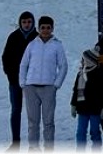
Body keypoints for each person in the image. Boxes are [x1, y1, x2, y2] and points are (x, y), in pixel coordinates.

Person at [19, 15, 68, 151]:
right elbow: (23, 65)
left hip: (48, 88)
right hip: (31, 88)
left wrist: (56, 84)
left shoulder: (57, 45)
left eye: (48, 28)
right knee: (33, 122)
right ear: (38, 28)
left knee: (48, 121)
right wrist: (23, 83)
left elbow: (63, 66)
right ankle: (33, 148)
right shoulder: (32, 45)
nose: (45, 30)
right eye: (43, 28)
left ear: (52, 29)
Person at [2, 11, 38, 147]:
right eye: (24, 22)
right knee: (16, 110)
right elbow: (6, 58)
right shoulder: (13, 37)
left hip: (33, 82)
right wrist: (11, 76)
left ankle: (33, 144)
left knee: (33, 113)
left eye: (29, 22)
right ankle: (15, 142)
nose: (27, 24)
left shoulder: (38, 37)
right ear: (20, 23)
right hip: (15, 81)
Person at [71, 45, 103, 150]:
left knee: (95, 131)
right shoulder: (80, 74)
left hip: (95, 109)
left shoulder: (101, 74)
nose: (82, 61)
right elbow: (76, 90)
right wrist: (73, 105)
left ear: (90, 61)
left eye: (84, 59)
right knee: (81, 131)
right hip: (82, 108)